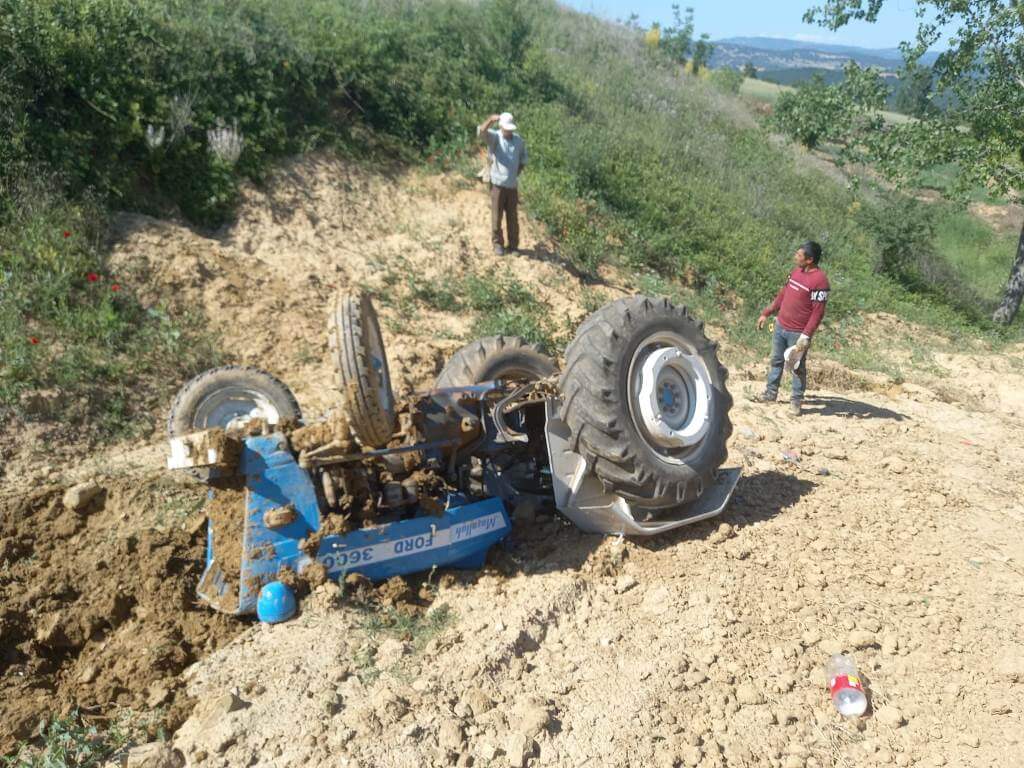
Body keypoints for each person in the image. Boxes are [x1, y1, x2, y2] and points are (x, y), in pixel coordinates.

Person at [752, 241, 830, 416]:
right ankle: (770, 393)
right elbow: (783, 294)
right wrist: (767, 312)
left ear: (809, 260)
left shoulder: (820, 281)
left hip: (798, 333)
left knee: (796, 367)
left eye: (799, 255)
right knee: (776, 360)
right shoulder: (795, 272)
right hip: (780, 326)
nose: (796, 257)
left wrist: (806, 335)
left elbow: (818, 313)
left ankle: (796, 401)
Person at [477, 111, 528, 256]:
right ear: (501, 127)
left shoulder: (518, 141)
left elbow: (523, 159)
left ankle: (513, 246)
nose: (508, 131)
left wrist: (516, 173)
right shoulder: (495, 137)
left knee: (513, 217)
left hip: (512, 186)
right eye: (506, 128)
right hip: (497, 185)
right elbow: (481, 132)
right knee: (496, 216)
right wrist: (490, 120)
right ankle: (497, 244)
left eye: (510, 129)